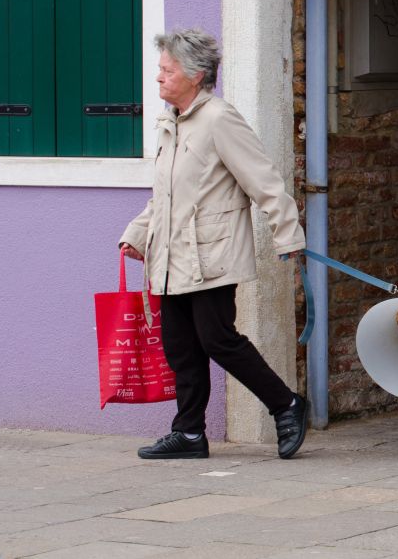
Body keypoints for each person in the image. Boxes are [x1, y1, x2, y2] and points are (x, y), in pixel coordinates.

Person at [119, 28, 308, 460]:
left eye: (167, 70)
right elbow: (165, 197)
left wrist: (287, 232)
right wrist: (136, 235)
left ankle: (287, 405)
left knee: (218, 339)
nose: (159, 78)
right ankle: (188, 433)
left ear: (196, 74)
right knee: (179, 346)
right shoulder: (172, 123)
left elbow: (263, 180)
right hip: (172, 258)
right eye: (160, 70)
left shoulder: (220, 119)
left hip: (213, 255)